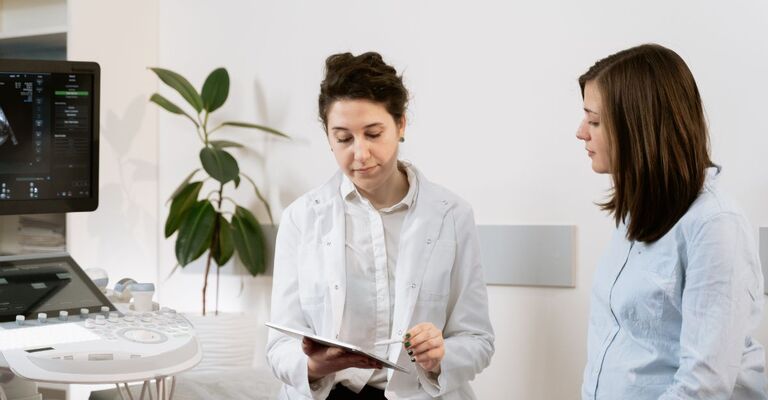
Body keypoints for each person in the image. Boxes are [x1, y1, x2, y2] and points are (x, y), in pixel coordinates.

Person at [266, 52, 494, 400]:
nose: (360, 154)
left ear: (401, 125)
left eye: (373, 134)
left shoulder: (452, 215)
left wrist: (441, 356)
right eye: (343, 139)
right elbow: (280, 345)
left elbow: (477, 339)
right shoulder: (302, 218)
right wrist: (313, 366)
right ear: (328, 136)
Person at [577, 43, 767, 399]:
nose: (581, 132)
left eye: (595, 121)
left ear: (639, 125)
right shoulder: (636, 214)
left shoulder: (714, 226)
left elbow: (703, 387)